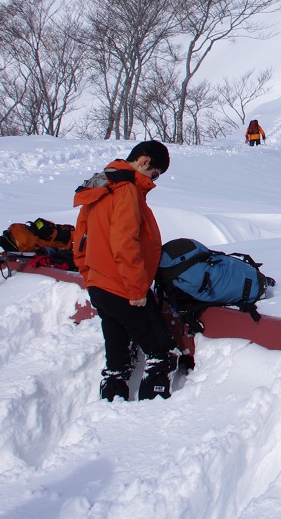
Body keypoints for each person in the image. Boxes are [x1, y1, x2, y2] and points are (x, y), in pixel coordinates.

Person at [72, 140, 177, 402]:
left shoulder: (100, 186)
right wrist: (136, 288)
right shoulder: (126, 190)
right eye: (155, 174)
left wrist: (90, 276)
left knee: (116, 354)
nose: (154, 181)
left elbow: (80, 238)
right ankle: (152, 403)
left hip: (100, 284)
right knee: (160, 350)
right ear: (144, 161)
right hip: (123, 287)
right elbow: (125, 242)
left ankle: (113, 394)